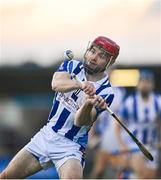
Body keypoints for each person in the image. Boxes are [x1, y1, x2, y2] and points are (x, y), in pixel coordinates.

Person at [0, 36, 120, 179]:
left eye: (101, 56)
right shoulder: (73, 65)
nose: (94, 58)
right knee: (7, 176)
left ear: (110, 62)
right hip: (47, 134)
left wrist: (88, 104)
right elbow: (56, 84)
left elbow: (80, 121)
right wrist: (80, 85)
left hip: (71, 146)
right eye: (93, 51)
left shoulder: (107, 92)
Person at [115, 70, 161, 179]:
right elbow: (118, 125)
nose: (145, 85)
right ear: (138, 84)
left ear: (152, 84)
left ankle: (126, 177)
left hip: (152, 146)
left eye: (148, 82)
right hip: (134, 146)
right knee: (140, 172)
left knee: (150, 176)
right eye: (143, 82)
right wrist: (122, 144)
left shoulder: (158, 101)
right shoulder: (130, 102)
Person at [89, 86, 127, 179]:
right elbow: (94, 117)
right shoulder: (98, 89)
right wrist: (91, 135)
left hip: (117, 136)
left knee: (120, 168)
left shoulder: (121, 92)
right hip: (102, 136)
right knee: (99, 170)